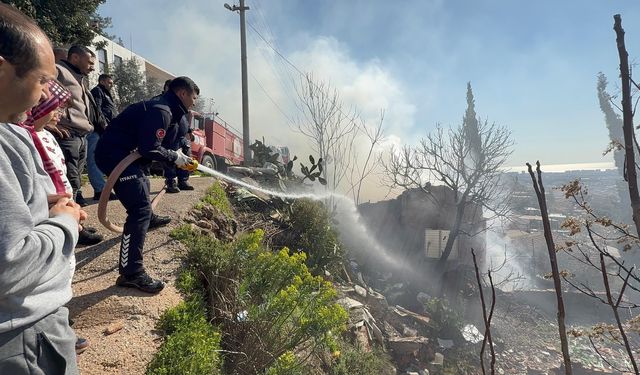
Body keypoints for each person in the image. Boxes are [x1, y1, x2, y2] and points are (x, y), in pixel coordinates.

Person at [0, 4, 83, 373]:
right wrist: (64, 221)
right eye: (39, 81)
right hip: (23, 338)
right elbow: (10, 265)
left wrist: (34, 202)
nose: (42, 97)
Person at [95, 76, 200, 293]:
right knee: (139, 208)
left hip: (127, 156)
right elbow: (149, 148)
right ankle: (131, 273)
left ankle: (148, 220)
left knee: (141, 195)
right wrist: (174, 157)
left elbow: (158, 143)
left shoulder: (169, 108)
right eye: (194, 97)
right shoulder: (162, 110)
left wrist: (178, 155)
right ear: (182, 94)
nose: (195, 102)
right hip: (115, 156)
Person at [54, 45, 106, 207]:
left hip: (82, 136)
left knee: (75, 178)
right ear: (75, 58)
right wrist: (50, 122)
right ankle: (70, 222)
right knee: (69, 180)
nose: (92, 67)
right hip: (68, 135)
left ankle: (74, 219)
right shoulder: (58, 72)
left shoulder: (79, 79)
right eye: (89, 63)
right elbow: (39, 92)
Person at [90, 73, 118, 200]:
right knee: (94, 160)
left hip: (106, 132)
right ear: (102, 81)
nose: (111, 85)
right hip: (98, 131)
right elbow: (97, 109)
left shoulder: (106, 93)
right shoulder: (97, 91)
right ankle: (100, 190)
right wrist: (105, 125)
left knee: (103, 160)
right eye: (109, 82)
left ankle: (103, 189)